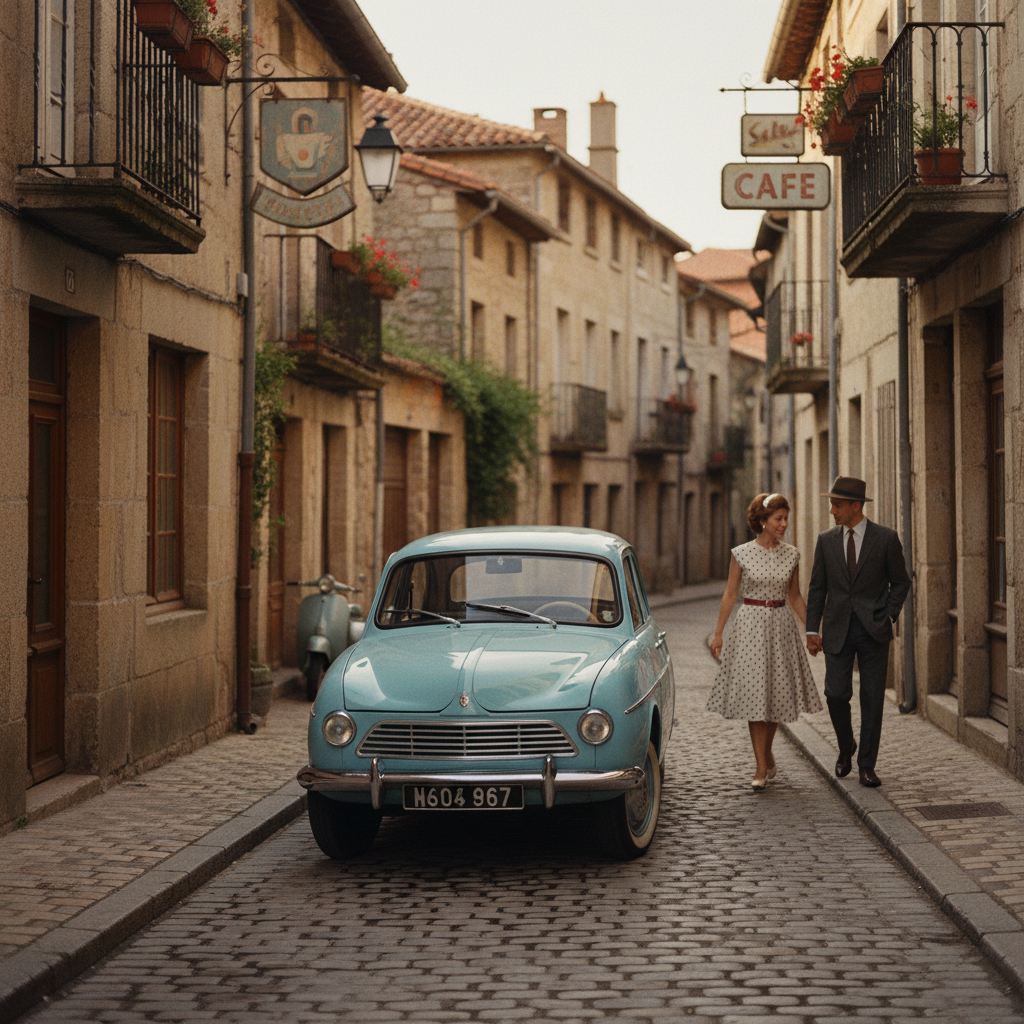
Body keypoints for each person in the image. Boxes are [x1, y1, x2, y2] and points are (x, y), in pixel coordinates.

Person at [707, 492, 823, 790]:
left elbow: (794, 595)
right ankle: (761, 764)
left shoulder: (792, 554)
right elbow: (730, 594)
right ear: (762, 521)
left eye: (786, 518)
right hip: (750, 627)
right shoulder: (741, 553)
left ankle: (767, 751)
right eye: (778, 519)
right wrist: (719, 633)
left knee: (775, 696)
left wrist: (811, 630)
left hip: (781, 626)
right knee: (755, 695)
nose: (784, 524)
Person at [806, 476, 911, 788]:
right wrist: (813, 629)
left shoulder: (886, 538)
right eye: (831, 504)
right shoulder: (826, 541)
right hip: (837, 630)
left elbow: (901, 582)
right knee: (835, 694)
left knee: (872, 699)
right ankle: (845, 745)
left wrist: (888, 615)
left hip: (873, 631)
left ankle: (866, 765)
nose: (832, 510)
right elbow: (817, 588)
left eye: (837, 505)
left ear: (856, 506)